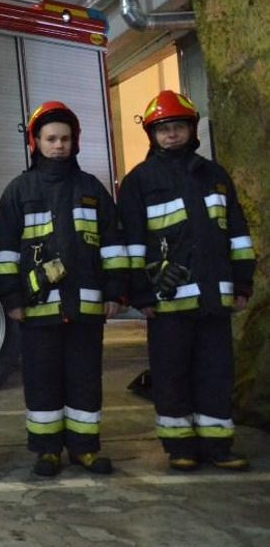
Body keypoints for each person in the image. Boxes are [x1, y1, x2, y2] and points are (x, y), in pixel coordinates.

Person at [118, 90, 254, 472]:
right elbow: (130, 243)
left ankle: (218, 446)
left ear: (192, 130)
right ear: (152, 135)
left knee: (216, 372)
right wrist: (140, 292)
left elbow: (238, 235)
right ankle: (179, 447)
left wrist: (242, 284)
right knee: (171, 373)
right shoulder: (139, 181)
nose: (171, 135)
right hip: (167, 302)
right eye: (163, 130)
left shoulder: (215, 175)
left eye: (178, 127)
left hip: (213, 300)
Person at [0, 101, 126, 477]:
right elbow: (4, 253)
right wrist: (12, 299)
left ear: (75, 142)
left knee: (85, 378)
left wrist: (115, 292)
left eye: (65, 138)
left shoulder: (91, 189)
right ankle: (47, 450)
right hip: (38, 310)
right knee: (41, 380)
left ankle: (85, 448)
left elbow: (113, 245)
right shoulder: (19, 191)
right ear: (36, 142)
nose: (59, 145)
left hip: (85, 308)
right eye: (51, 138)